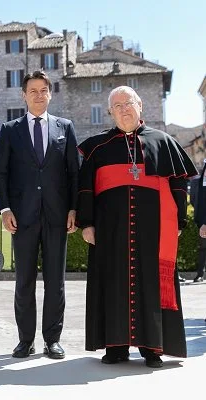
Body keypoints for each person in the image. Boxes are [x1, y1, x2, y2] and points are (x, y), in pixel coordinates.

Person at [76, 86, 197, 368]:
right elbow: (84, 190)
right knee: (112, 282)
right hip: (110, 231)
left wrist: (177, 222)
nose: (123, 110)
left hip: (153, 232)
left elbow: (179, 184)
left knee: (151, 282)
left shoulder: (163, 142)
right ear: (110, 112)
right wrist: (87, 224)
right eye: (116, 106)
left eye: (127, 103)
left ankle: (152, 347)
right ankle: (115, 346)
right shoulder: (97, 147)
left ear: (140, 105)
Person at [0, 70, 79, 360]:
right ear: (24, 95)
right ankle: (25, 340)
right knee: (24, 281)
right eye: (33, 90)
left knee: (56, 281)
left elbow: (73, 173)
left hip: (56, 216)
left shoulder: (64, 128)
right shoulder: (10, 130)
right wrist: (4, 209)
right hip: (23, 217)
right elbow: (1, 173)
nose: (39, 95)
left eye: (44, 90)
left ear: (50, 94)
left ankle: (52, 340)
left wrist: (73, 208)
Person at [191, 161, 206, 282]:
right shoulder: (196, 182)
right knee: (202, 247)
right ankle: (200, 273)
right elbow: (193, 200)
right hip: (201, 221)